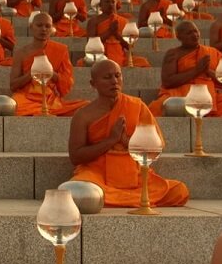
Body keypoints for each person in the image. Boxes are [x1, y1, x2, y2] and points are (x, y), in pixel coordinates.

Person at [67, 59, 189, 207]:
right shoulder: (83, 115)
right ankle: (125, 199)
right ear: (93, 84)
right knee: (82, 192)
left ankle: (118, 199)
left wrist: (126, 141)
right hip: (98, 172)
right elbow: (76, 156)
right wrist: (110, 141)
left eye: (117, 76)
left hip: (134, 174)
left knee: (179, 191)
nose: (114, 81)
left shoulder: (136, 106)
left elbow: (155, 147)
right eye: (107, 77)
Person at [148, 20, 222, 117]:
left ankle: (206, 113)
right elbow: (168, 81)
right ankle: (205, 113)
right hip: (182, 95)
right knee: (158, 107)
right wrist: (196, 70)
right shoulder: (173, 54)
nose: (194, 35)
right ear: (179, 37)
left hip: (209, 96)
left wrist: (208, 72)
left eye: (196, 31)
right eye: (189, 33)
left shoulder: (211, 52)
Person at [9, 12, 85, 116]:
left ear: (52, 29)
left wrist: (51, 73)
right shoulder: (21, 53)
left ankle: (44, 111)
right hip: (27, 98)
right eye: (39, 25)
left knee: (85, 106)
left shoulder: (61, 50)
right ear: (31, 27)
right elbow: (13, 85)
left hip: (51, 99)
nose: (43, 29)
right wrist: (31, 74)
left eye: (47, 26)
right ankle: (42, 111)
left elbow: (67, 81)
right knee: (14, 105)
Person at [83, 0, 148, 67]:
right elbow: (91, 45)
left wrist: (116, 34)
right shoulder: (93, 21)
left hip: (120, 55)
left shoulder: (123, 21)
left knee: (143, 62)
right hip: (102, 56)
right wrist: (109, 32)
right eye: (107, 2)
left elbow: (129, 46)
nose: (110, 4)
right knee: (82, 63)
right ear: (100, 5)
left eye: (113, 2)